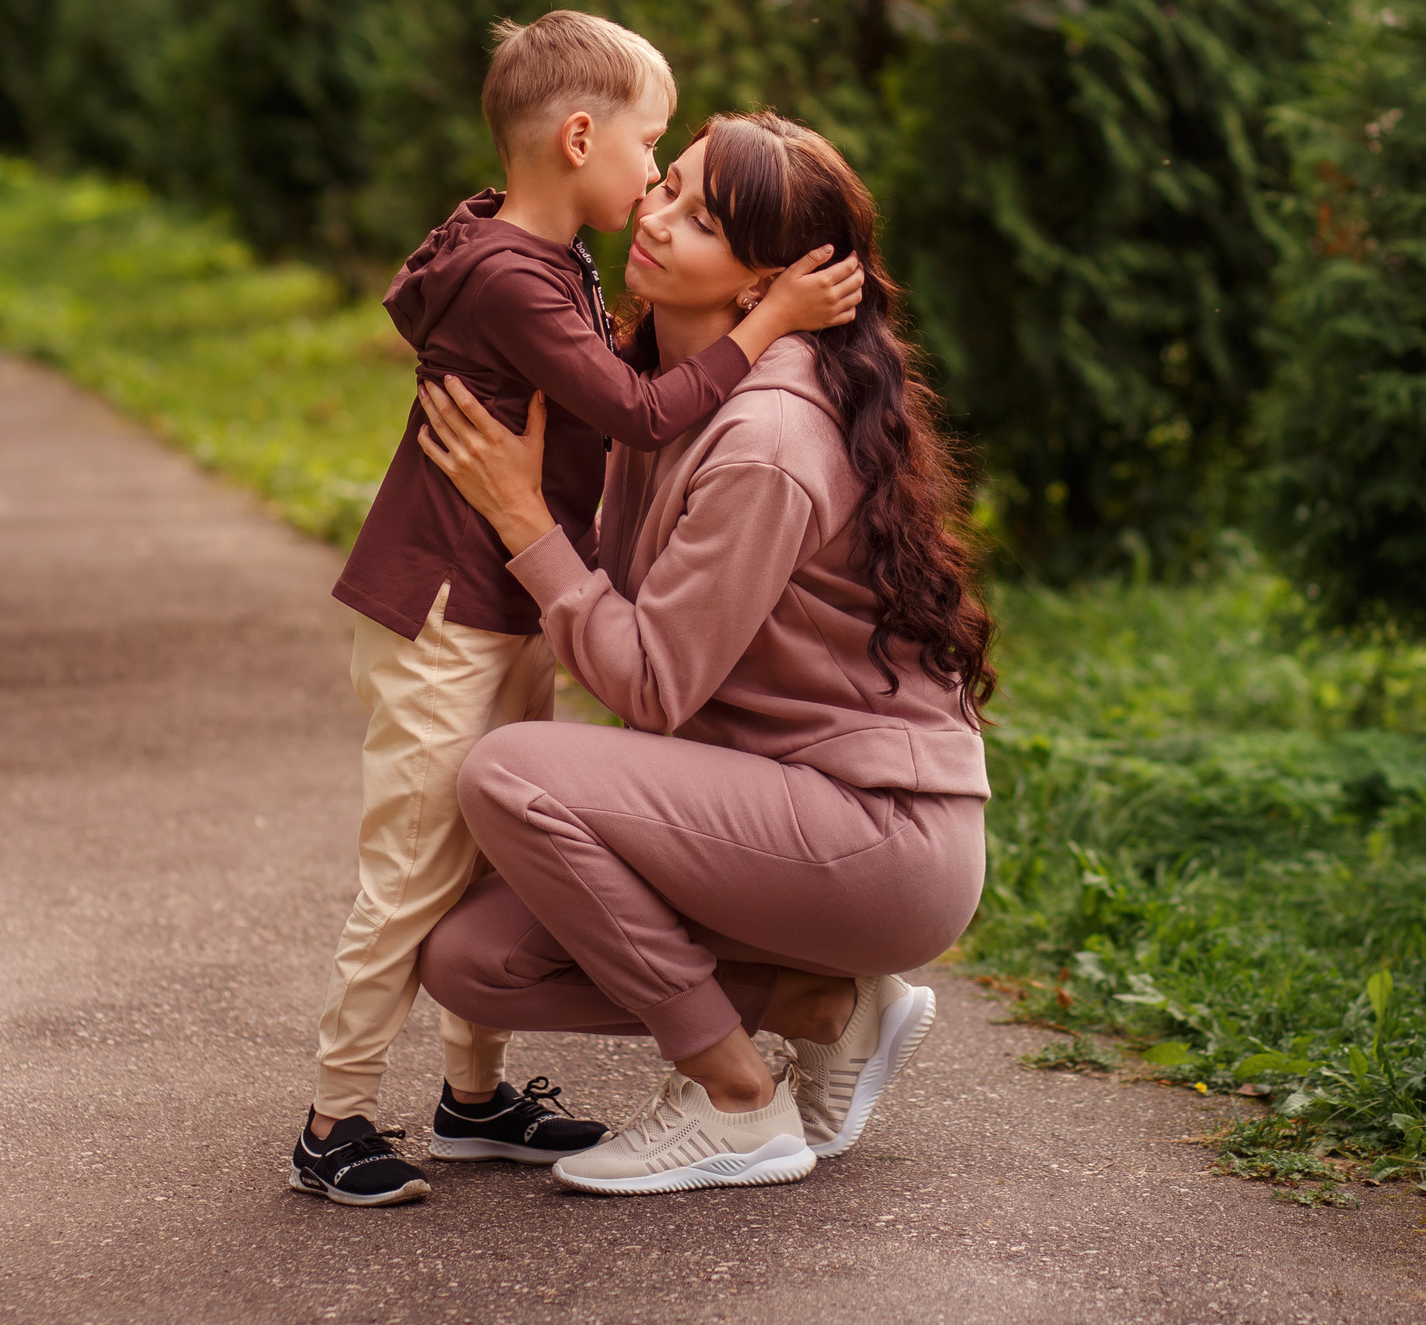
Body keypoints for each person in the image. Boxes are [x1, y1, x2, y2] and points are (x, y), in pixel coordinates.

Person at [290, 15, 866, 1208]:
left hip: (501, 601)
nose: (655, 180)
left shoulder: (524, 251)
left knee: (478, 858)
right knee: (411, 870)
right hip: (448, 605)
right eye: (652, 147)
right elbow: (642, 414)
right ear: (581, 135)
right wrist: (765, 328)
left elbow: (421, 296)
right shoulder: (513, 268)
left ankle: (473, 1102)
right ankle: (331, 1118)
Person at [412, 110, 996, 1197]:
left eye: (701, 219)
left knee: (513, 775)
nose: (655, 218)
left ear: (762, 285)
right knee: (473, 963)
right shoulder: (657, 400)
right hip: (776, 811)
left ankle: (734, 1098)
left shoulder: (768, 440)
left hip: (876, 841)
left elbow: (653, 685)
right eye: (667, 186)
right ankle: (822, 1008)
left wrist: (524, 524)